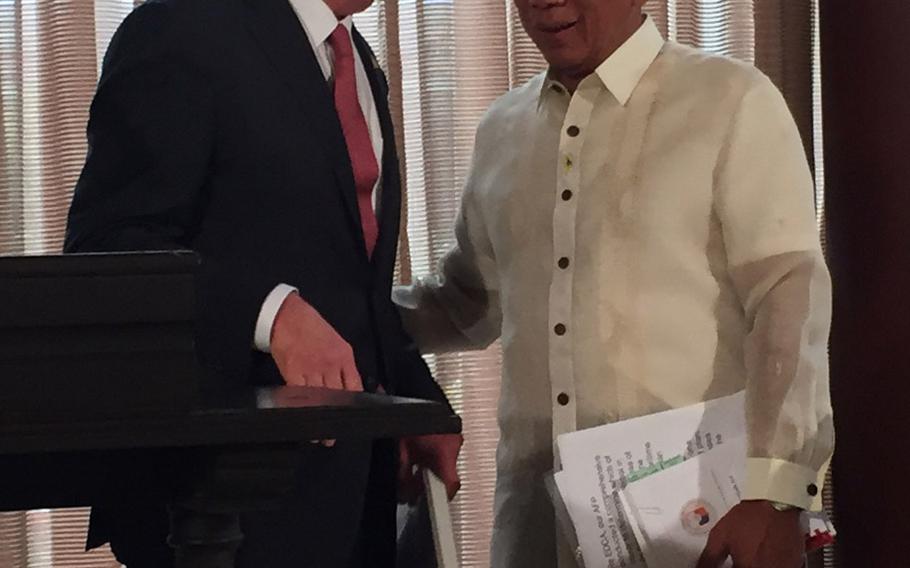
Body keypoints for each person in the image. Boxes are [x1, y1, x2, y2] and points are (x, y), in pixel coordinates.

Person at [393, 0, 833, 567]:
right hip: (534, 530)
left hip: (703, 527)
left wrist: (776, 491)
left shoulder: (730, 102)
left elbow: (788, 303)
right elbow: (466, 304)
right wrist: (342, 319)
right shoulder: (500, 131)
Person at [64, 0, 462, 566]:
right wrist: (268, 311)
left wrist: (420, 404)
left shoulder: (358, 57)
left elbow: (353, 285)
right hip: (213, 508)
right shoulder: (179, 26)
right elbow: (107, 247)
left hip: (353, 498)